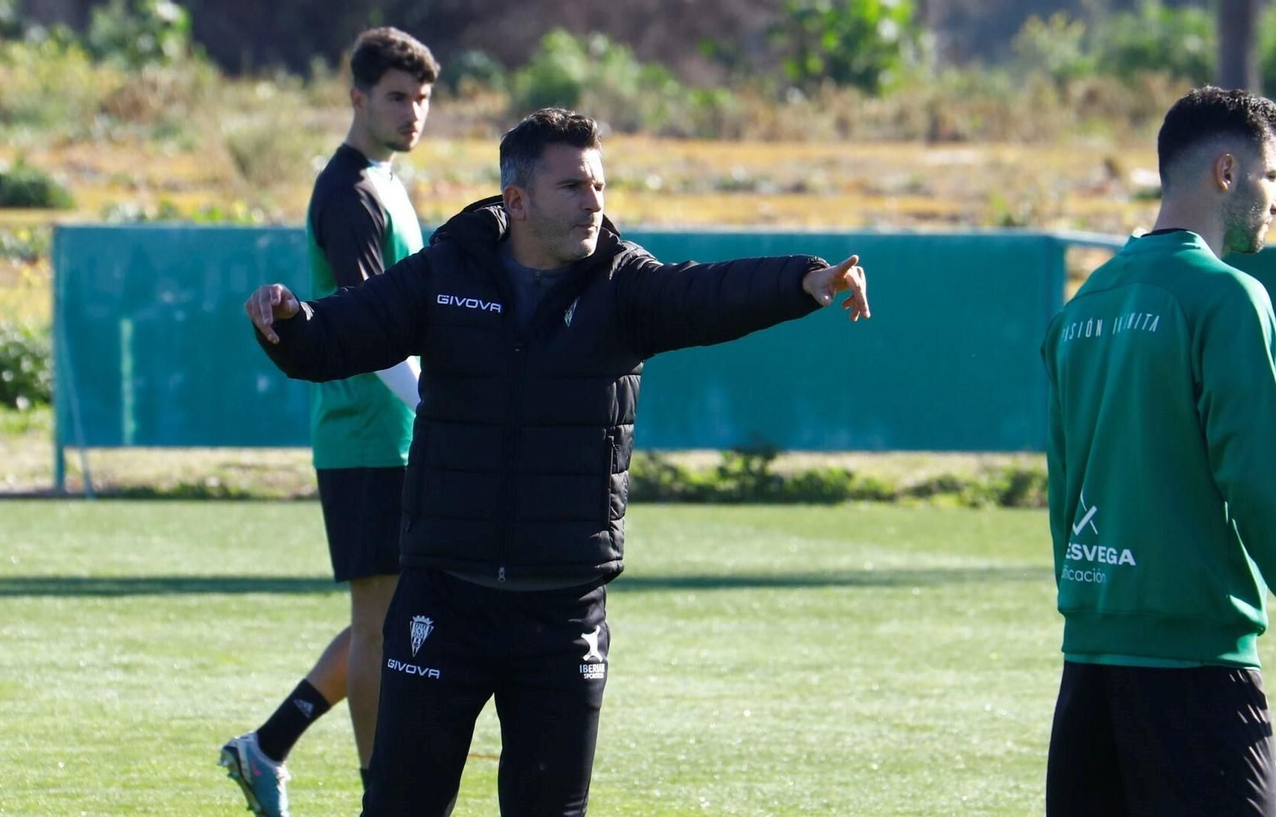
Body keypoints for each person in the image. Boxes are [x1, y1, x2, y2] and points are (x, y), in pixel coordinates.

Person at [243, 107, 870, 816]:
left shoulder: (625, 287)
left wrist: (804, 282)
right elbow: (343, 332)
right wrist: (291, 322)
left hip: (563, 612)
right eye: (573, 186)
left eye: (599, 185)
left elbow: (706, 293)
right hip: (443, 601)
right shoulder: (447, 273)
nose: (594, 202)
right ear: (516, 200)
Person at [1039, 86, 1276, 816]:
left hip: (1089, 668)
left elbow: (1062, 482)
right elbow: (1259, 477)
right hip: (1194, 668)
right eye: (1272, 177)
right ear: (1226, 172)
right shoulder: (1227, 297)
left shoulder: (1084, 305)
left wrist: (1093, 602)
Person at [219, 27, 439, 817]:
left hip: (396, 432)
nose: (412, 113)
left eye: (421, 99)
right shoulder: (348, 193)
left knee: (402, 611)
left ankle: (268, 745)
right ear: (356, 97)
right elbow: (374, 327)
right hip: (366, 433)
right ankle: (380, 794)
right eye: (395, 97)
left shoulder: (384, 178)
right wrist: (433, 407)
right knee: (382, 624)